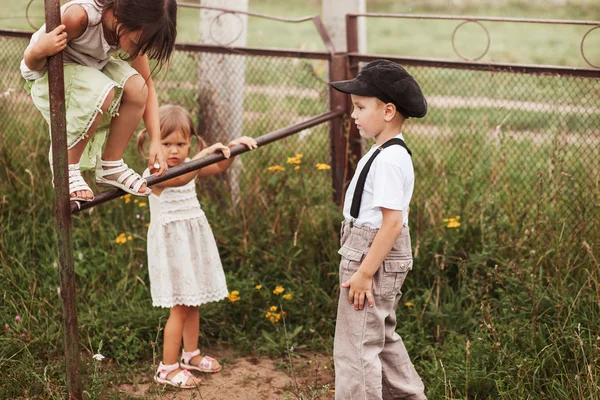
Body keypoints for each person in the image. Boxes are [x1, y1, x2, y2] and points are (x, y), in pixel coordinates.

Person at [136, 104, 257, 388]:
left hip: (191, 244)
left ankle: (191, 355)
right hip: (171, 248)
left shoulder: (191, 164)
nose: (174, 150)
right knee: (179, 306)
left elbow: (217, 166)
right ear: (152, 142)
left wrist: (232, 148)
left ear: (190, 142)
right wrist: (201, 156)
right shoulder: (156, 170)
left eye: (181, 143)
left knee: (193, 302)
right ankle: (167, 367)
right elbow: (183, 176)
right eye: (166, 143)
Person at [329, 59, 428, 400]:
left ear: (388, 111)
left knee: (355, 350)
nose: (353, 114)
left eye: (359, 107)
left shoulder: (388, 159)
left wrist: (364, 273)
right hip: (374, 250)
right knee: (380, 339)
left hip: (371, 255)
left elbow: (392, 222)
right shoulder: (386, 151)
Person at [20, 0, 177, 202]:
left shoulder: (135, 30)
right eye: (138, 44)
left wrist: (156, 139)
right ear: (121, 17)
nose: (138, 51)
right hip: (47, 73)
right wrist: (40, 50)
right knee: (103, 90)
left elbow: (149, 86)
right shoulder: (79, 18)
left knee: (138, 88)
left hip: (90, 69)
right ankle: (65, 168)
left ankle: (111, 164)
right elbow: (31, 63)